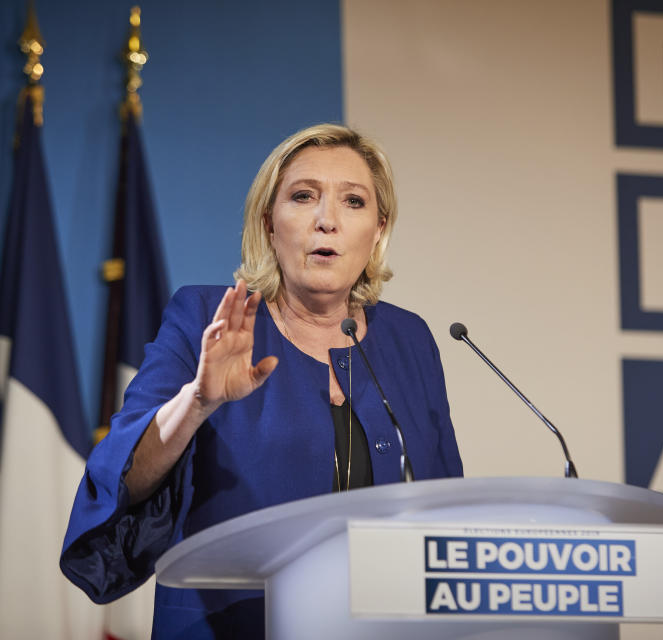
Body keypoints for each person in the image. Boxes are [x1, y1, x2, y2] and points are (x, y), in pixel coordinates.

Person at [60, 124, 463, 638]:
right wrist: (199, 401)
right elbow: (125, 478)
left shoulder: (410, 339)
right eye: (303, 197)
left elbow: (446, 506)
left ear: (379, 229)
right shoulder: (205, 317)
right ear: (269, 223)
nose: (326, 221)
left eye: (353, 202)